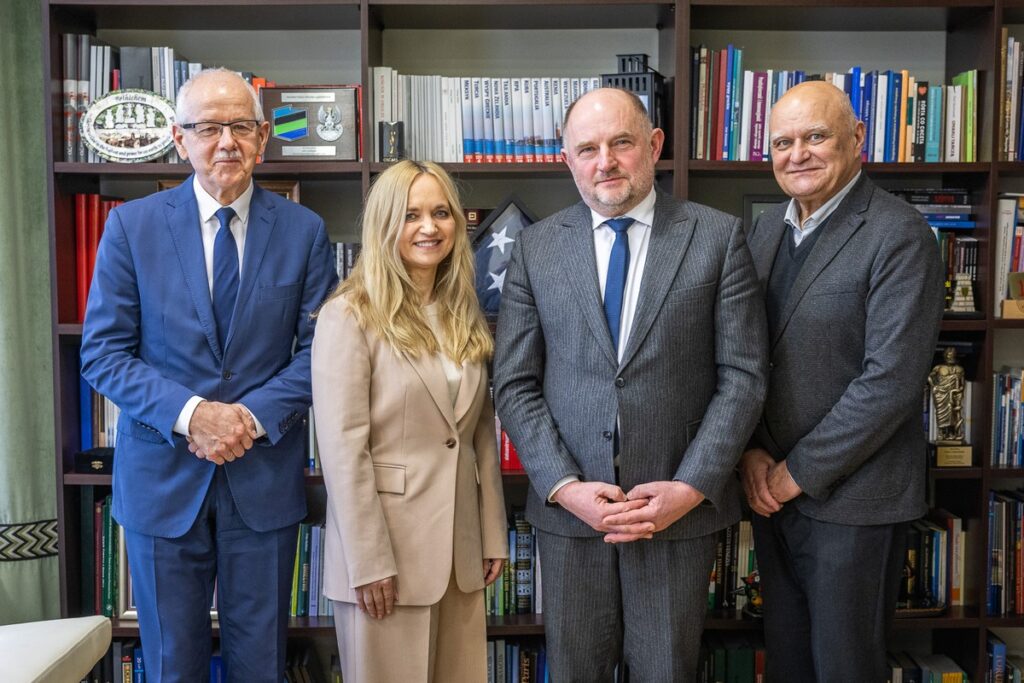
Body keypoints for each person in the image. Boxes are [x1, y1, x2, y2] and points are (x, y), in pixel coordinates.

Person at [494, 87, 768, 681]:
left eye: (621, 142)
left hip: (674, 512)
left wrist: (692, 487)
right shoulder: (537, 250)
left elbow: (743, 377)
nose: (605, 162)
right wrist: (565, 486)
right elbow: (514, 383)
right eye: (586, 149)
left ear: (654, 145)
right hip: (572, 518)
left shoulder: (717, 238)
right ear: (566, 159)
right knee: (575, 671)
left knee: (667, 671)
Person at [80, 68, 337, 682]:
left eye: (241, 126)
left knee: (261, 664)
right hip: (162, 483)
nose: (226, 141)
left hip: (263, 483)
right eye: (208, 127)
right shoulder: (131, 227)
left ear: (263, 137)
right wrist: (194, 415)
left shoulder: (303, 232)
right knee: (173, 664)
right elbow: (104, 353)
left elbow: (322, 355)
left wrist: (245, 418)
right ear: (179, 138)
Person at [739, 80, 945, 683]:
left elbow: (891, 382)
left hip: (853, 501)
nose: (797, 153)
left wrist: (792, 474)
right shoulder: (767, 231)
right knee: (790, 665)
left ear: (857, 139)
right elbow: (746, 354)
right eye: (782, 142)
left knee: (845, 670)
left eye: (816, 136)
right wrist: (750, 453)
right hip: (772, 495)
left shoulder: (899, 233)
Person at [311, 160, 508, 683]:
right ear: (384, 224)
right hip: (384, 558)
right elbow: (342, 450)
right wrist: (369, 560)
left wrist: (492, 533)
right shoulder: (348, 315)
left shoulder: (462, 311)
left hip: (458, 556)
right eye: (411, 214)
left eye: (441, 213)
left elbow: (478, 433)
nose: (429, 227)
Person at [929, 347, 966, 443]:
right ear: (945, 356)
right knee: (941, 413)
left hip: (953, 395)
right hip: (940, 394)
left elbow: (962, 385)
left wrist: (959, 391)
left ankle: (951, 433)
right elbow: (929, 377)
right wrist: (934, 386)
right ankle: (941, 432)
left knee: (953, 414)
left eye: (952, 355)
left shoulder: (959, 369)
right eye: (948, 355)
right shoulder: (938, 368)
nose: (950, 357)